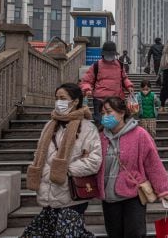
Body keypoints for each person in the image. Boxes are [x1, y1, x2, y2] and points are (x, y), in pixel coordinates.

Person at [22, 83, 102, 238]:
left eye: (63, 98)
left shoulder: (87, 128)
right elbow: (39, 153)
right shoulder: (49, 126)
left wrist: (65, 170)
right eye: (57, 98)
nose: (59, 102)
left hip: (72, 196)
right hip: (48, 195)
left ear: (75, 101)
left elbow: (94, 160)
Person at [97, 96, 168, 237]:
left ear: (122, 112)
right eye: (102, 113)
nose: (105, 116)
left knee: (135, 234)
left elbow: (153, 163)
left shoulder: (140, 134)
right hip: (109, 197)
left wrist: (163, 190)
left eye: (108, 112)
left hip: (133, 194)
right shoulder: (100, 137)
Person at [80, 41, 134, 126]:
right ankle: (102, 138)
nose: (109, 56)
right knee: (100, 122)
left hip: (117, 99)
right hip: (100, 100)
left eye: (111, 54)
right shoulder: (96, 65)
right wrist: (87, 89)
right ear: (103, 54)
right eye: (107, 54)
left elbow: (124, 78)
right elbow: (86, 81)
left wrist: (129, 86)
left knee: (118, 123)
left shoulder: (120, 64)